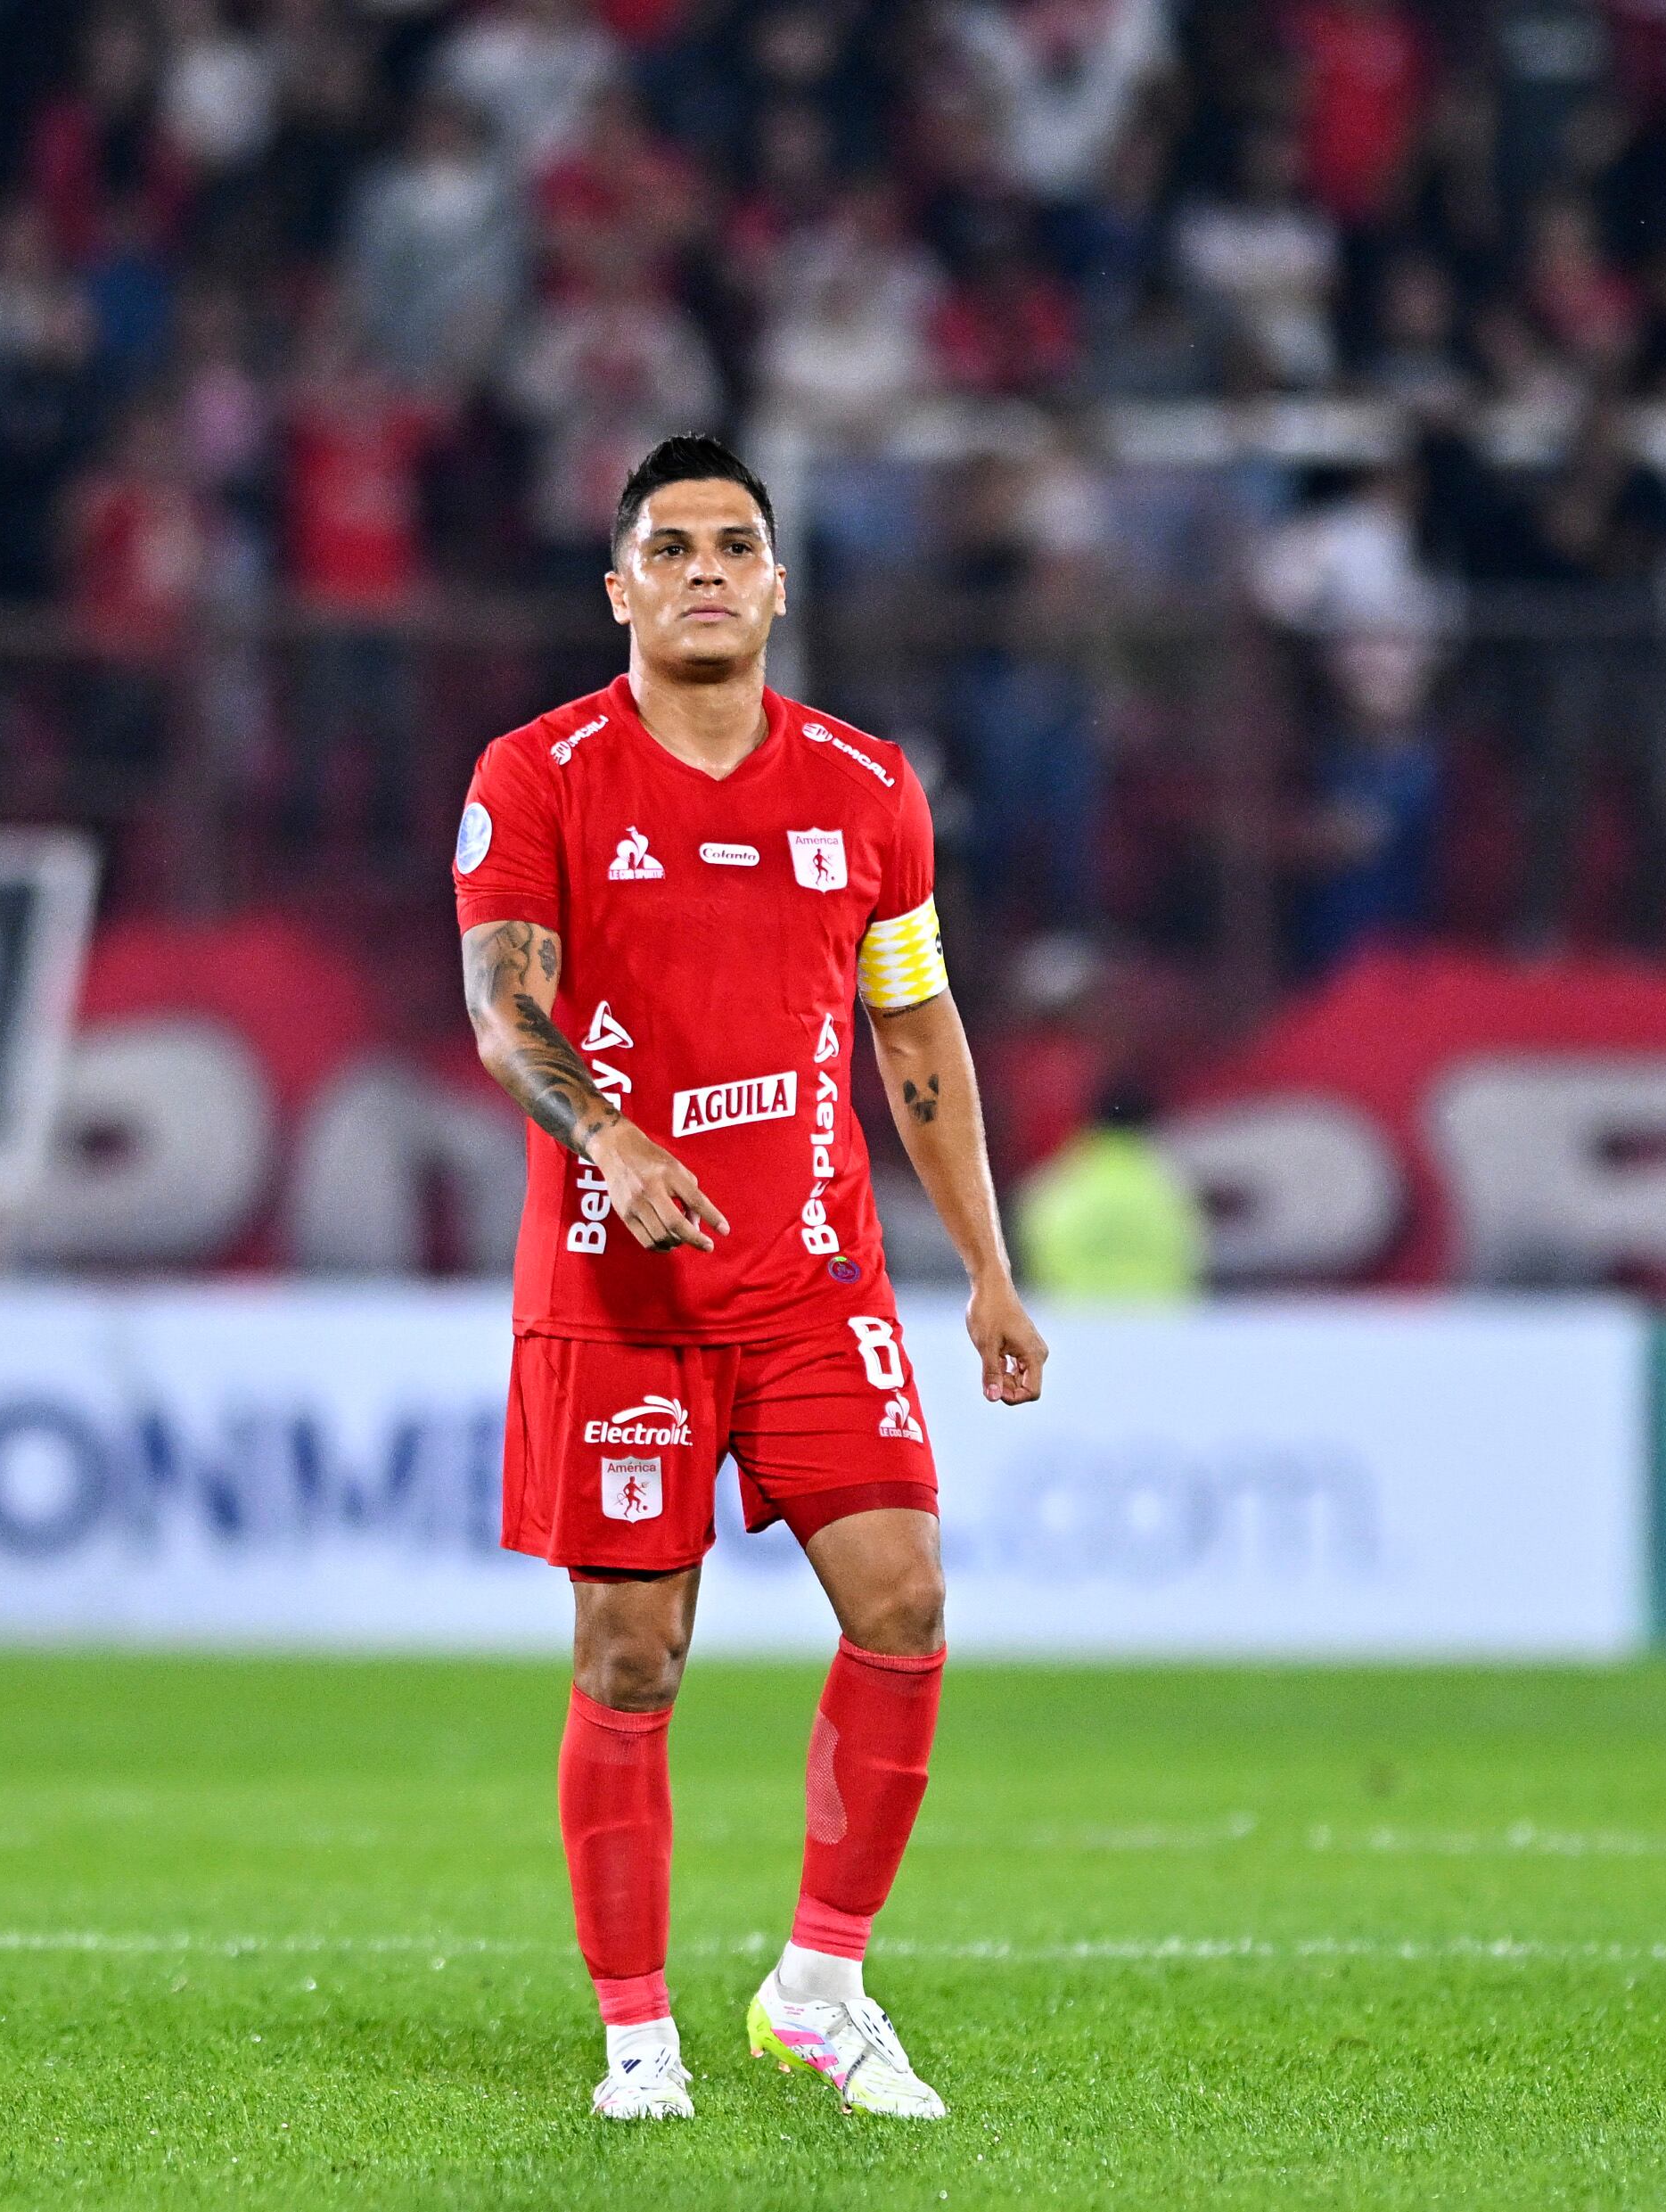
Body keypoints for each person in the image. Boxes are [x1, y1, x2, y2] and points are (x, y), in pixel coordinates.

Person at [453, 434, 1048, 2124]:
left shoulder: (867, 789)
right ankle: (637, 2030)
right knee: (634, 1655)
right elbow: (507, 1009)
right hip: (616, 1284)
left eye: (735, 545)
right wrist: (613, 1141)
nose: (705, 570)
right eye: (671, 547)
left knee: (910, 1605)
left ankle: (821, 1982)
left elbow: (913, 1026)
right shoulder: (539, 772)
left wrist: (988, 1271)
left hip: (812, 1282)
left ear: (779, 584)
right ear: (620, 589)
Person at [1014, 1080, 1206, 1302]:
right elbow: (1193, 1260)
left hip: (1070, 1326)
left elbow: (1031, 1257)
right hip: (1158, 1327)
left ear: (1088, 1124)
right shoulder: (1174, 1193)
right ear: (1150, 1126)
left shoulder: (1054, 1190)